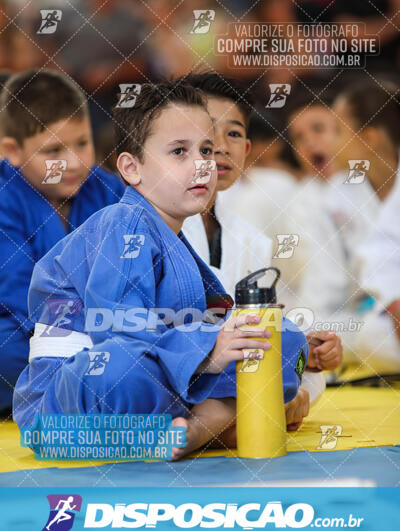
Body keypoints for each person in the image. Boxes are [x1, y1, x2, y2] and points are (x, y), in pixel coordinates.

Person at [13, 81, 310, 460]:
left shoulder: (173, 235)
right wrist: (208, 354)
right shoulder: (124, 223)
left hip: (159, 388)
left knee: (279, 338)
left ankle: (195, 427)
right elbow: (117, 330)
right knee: (121, 367)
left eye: (206, 150)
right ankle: (213, 424)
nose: (201, 164)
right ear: (132, 168)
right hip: (65, 409)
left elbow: (211, 316)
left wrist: (239, 329)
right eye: (179, 152)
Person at [181, 73, 343, 431]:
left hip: (229, 371)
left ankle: (248, 413)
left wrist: (308, 352)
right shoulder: (163, 222)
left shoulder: (250, 238)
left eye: (234, 133)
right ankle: (243, 416)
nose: (221, 145)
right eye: (208, 130)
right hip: (172, 370)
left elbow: (258, 334)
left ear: (248, 150)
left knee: (299, 362)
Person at [0, 69, 125, 413]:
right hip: (28, 332)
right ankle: (94, 392)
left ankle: (82, 391)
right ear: (11, 150)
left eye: (82, 143)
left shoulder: (110, 189)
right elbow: (19, 291)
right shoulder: (4, 197)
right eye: (53, 150)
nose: (72, 163)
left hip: (108, 330)